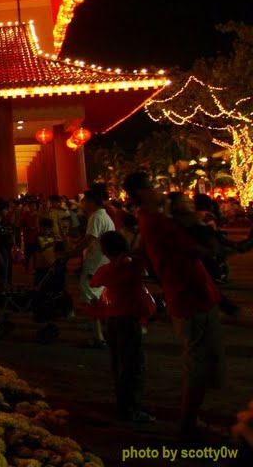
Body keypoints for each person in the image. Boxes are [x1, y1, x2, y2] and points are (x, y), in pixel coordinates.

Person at [123, 172, 223, 444]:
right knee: (197, 365)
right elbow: (204, 249)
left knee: (203, 361)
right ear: (142, 193)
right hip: (190, 296)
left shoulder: (151, 220)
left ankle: (192, 419)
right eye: (153, 186)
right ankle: (188, 424)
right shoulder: (157, 221)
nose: (158, 191)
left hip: (193, 293)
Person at [90, 230, 156, 423]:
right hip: (129, 320)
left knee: (118, 364)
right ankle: (131, 409)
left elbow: (95, 281)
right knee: (133, 366)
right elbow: (144, 255)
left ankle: (125, 405)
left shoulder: (106, 270)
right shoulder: (132, 266)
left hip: (112, 320)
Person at [63, 189, 116, 348]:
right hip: (103, 261)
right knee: (100, 297)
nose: (83, 203)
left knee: (92, 298)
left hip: (95, 263)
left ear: (93, 201)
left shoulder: (97, 217)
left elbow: (89, 239)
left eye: (85, 200)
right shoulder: (104, 216)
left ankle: (98, 337)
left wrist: (72, 252)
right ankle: (106, 331)